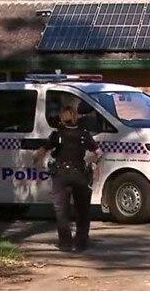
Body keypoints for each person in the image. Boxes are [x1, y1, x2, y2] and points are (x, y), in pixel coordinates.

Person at [35, 106, 102, 252]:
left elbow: (41, 151)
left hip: (61, 176)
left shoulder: (57, 135)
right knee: (82, 211)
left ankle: (65, 243)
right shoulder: (84, 134)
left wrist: (38, 161)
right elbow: (98, 153)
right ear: (75, 117)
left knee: (62, 212)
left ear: (61, 118)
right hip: (80, 175)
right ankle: (81, 243)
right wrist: (93, 165)